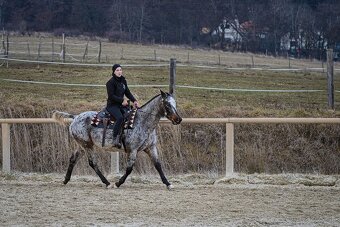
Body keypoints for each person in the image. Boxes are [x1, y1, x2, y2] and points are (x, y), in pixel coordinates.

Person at [106, 64, 139, 148]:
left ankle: (125, 136)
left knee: (130, 115)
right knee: (120, 118)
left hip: (122, 105)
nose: (119, 71)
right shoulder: (110, 83)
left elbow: (127, 92)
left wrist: (134, 100)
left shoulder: (123, 80)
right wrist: (121, 101)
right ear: (113, 71)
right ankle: (114, 139)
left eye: (120, 70)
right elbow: (111, 96)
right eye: (117, 70)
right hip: (112, 105)